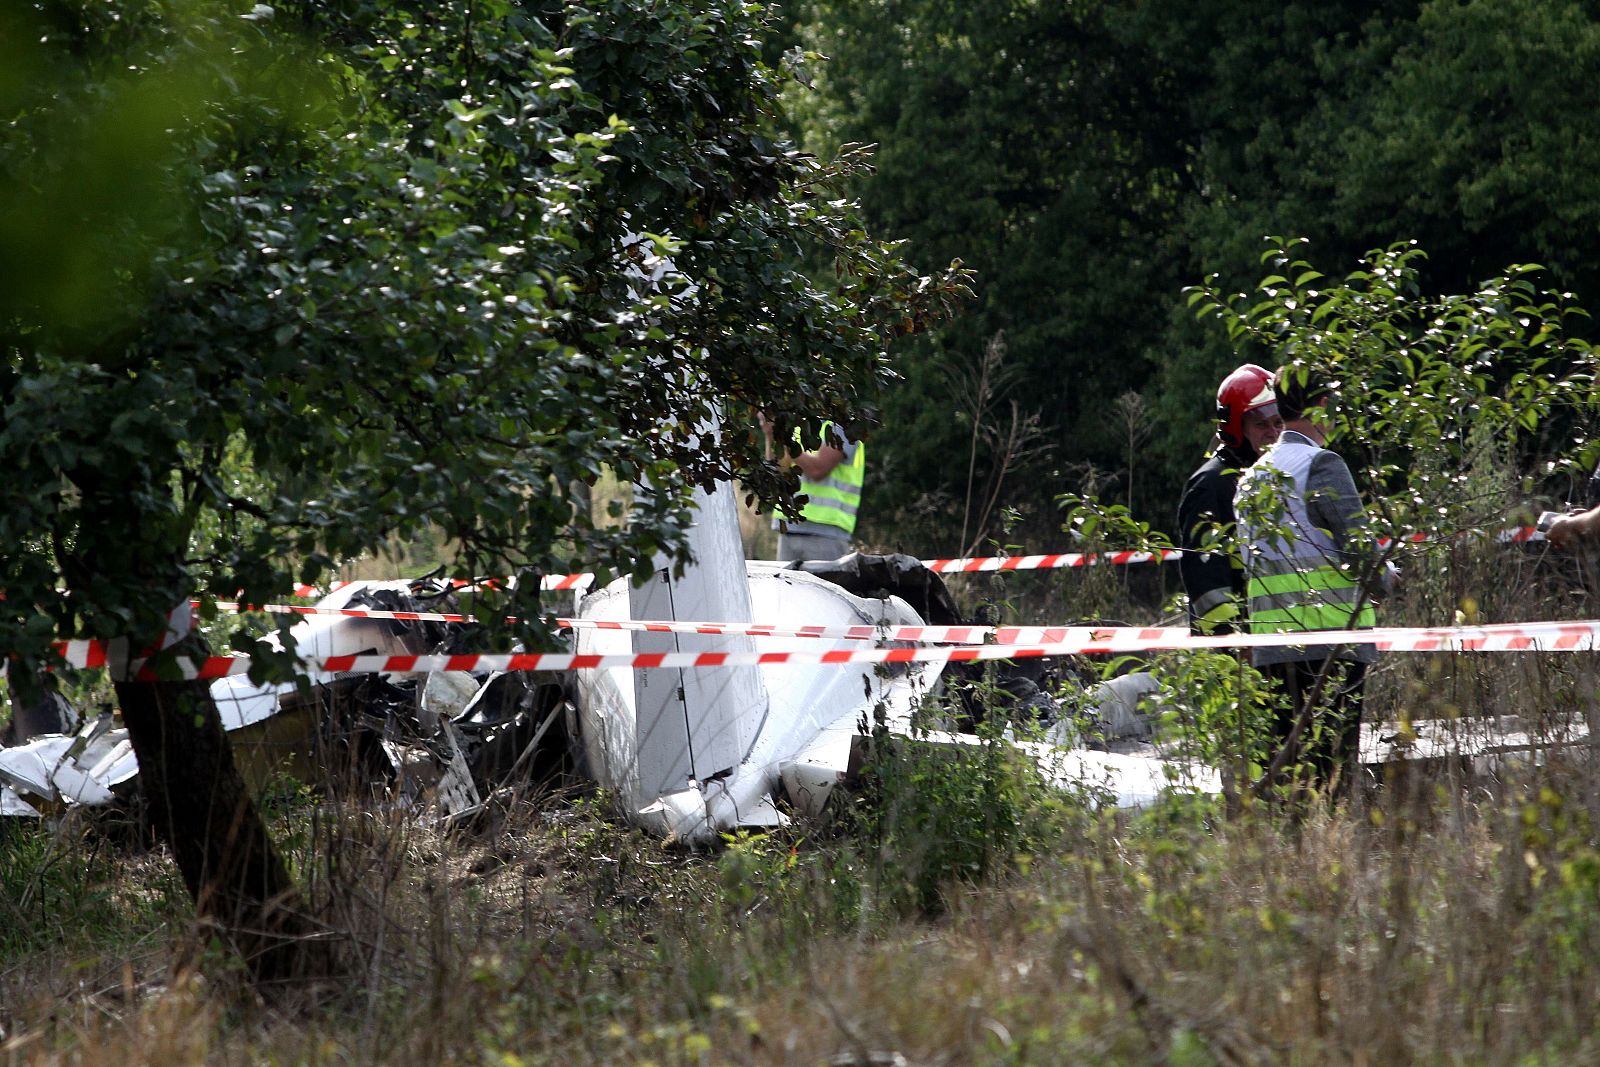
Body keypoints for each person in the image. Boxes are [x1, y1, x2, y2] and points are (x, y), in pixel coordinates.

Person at [1233, 364, 1395, 791]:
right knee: (1331, 777)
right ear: (1322, 404)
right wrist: (1391, 576)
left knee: (1289, 777)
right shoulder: (1322, 464)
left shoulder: (1251, 478)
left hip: (1270, 649)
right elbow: (1363, 557)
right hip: (1330, 645)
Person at [1176, 364, 1284, 634]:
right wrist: (1232, 644)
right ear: (1236, 428)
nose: (1273, 432)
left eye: (1279, 422)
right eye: (1261, 424)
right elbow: (1207, 584)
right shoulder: (1211, 485)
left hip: (1276, 643)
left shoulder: (1273, 476)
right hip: (1233, 660)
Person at [764, 418, 867, 562]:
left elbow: (817, 470)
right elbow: (778, 472)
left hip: (827, 533)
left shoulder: (844, 427)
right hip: (790, 529)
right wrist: (771, 436)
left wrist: (785, 440)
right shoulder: (798, 426)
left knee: (823, 585)